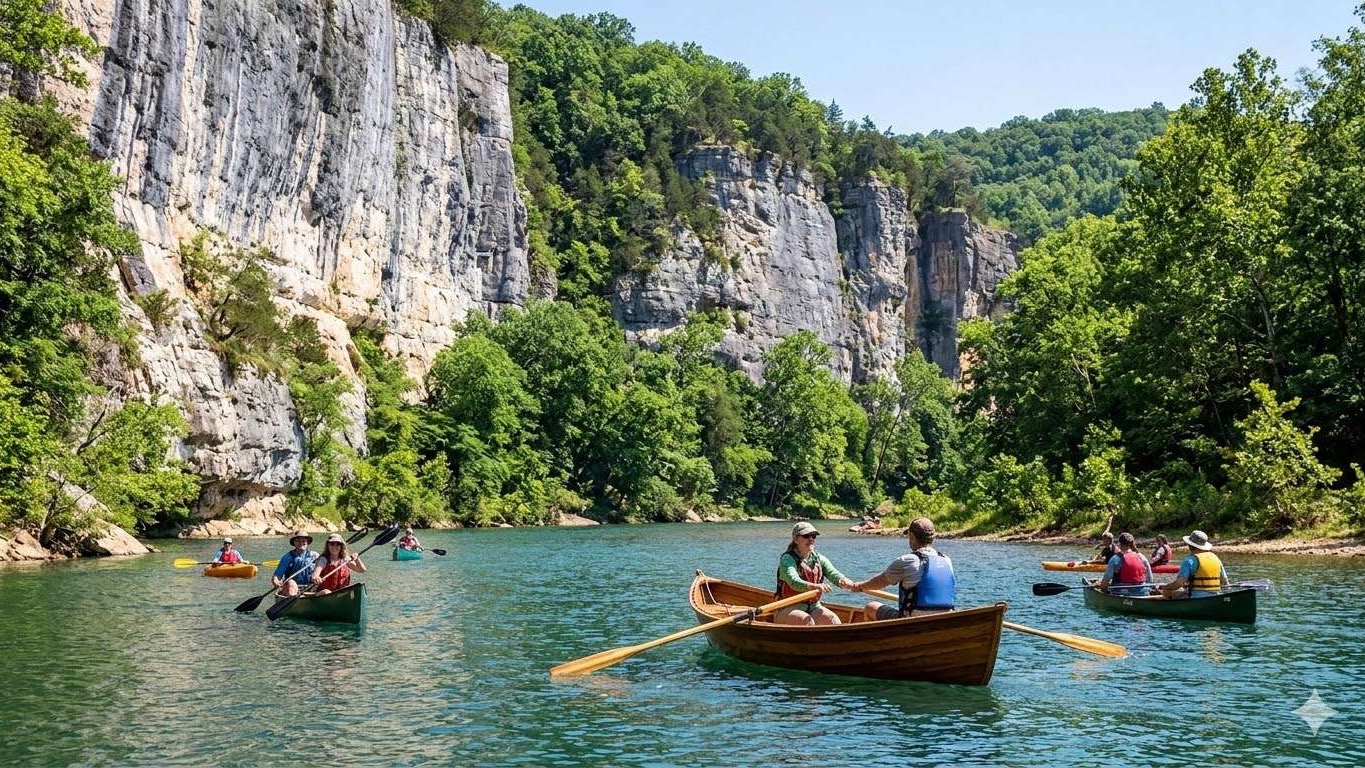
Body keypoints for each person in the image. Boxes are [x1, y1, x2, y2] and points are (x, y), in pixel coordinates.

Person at [851, 516, 955, 621]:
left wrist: (859, 586)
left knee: (870, 607)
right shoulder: (947, 560)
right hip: (946, 619)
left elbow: (879, 582)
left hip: (912, 620)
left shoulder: (907, 560)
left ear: (912, 536)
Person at [775, 522, 857, 625]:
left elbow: (834, 574)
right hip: (787, 607)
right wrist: (814, 586)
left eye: (813, 536)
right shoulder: (787, 559)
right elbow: (793, 581)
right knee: (806, 621)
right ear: (796, 539)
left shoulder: (818, 559)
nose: (811, 539)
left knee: (833, 620)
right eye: (806, 536)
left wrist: (847, 582)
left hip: (813, 607)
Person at [1157, 530, 1230, 599]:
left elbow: (1179, 584)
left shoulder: (1189, 560)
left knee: (1167, 591)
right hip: (1216, 595)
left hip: (1195, 597)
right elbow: (1225, 582)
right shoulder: (1215, 558)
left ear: (1190, 545)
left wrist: (1164, 587)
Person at [1096, 532, 1152, 596]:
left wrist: (1102, 587)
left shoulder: (1115, 559)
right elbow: (1150, 579)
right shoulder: (1141, 556)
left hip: (1120, 592)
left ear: (1120, 543)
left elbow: (1105, 581)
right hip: (1142, 591)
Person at [271, 531, 318, 597]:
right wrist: (275, 580)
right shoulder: (287, 557)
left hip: (310, 587)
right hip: (291, 588)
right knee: (291, 583)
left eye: (304, 541)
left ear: (307, 542)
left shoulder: (315, 556)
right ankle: (293, 598)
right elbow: (277, 575)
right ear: (294, 543)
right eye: (298, 541)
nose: (301, 543)